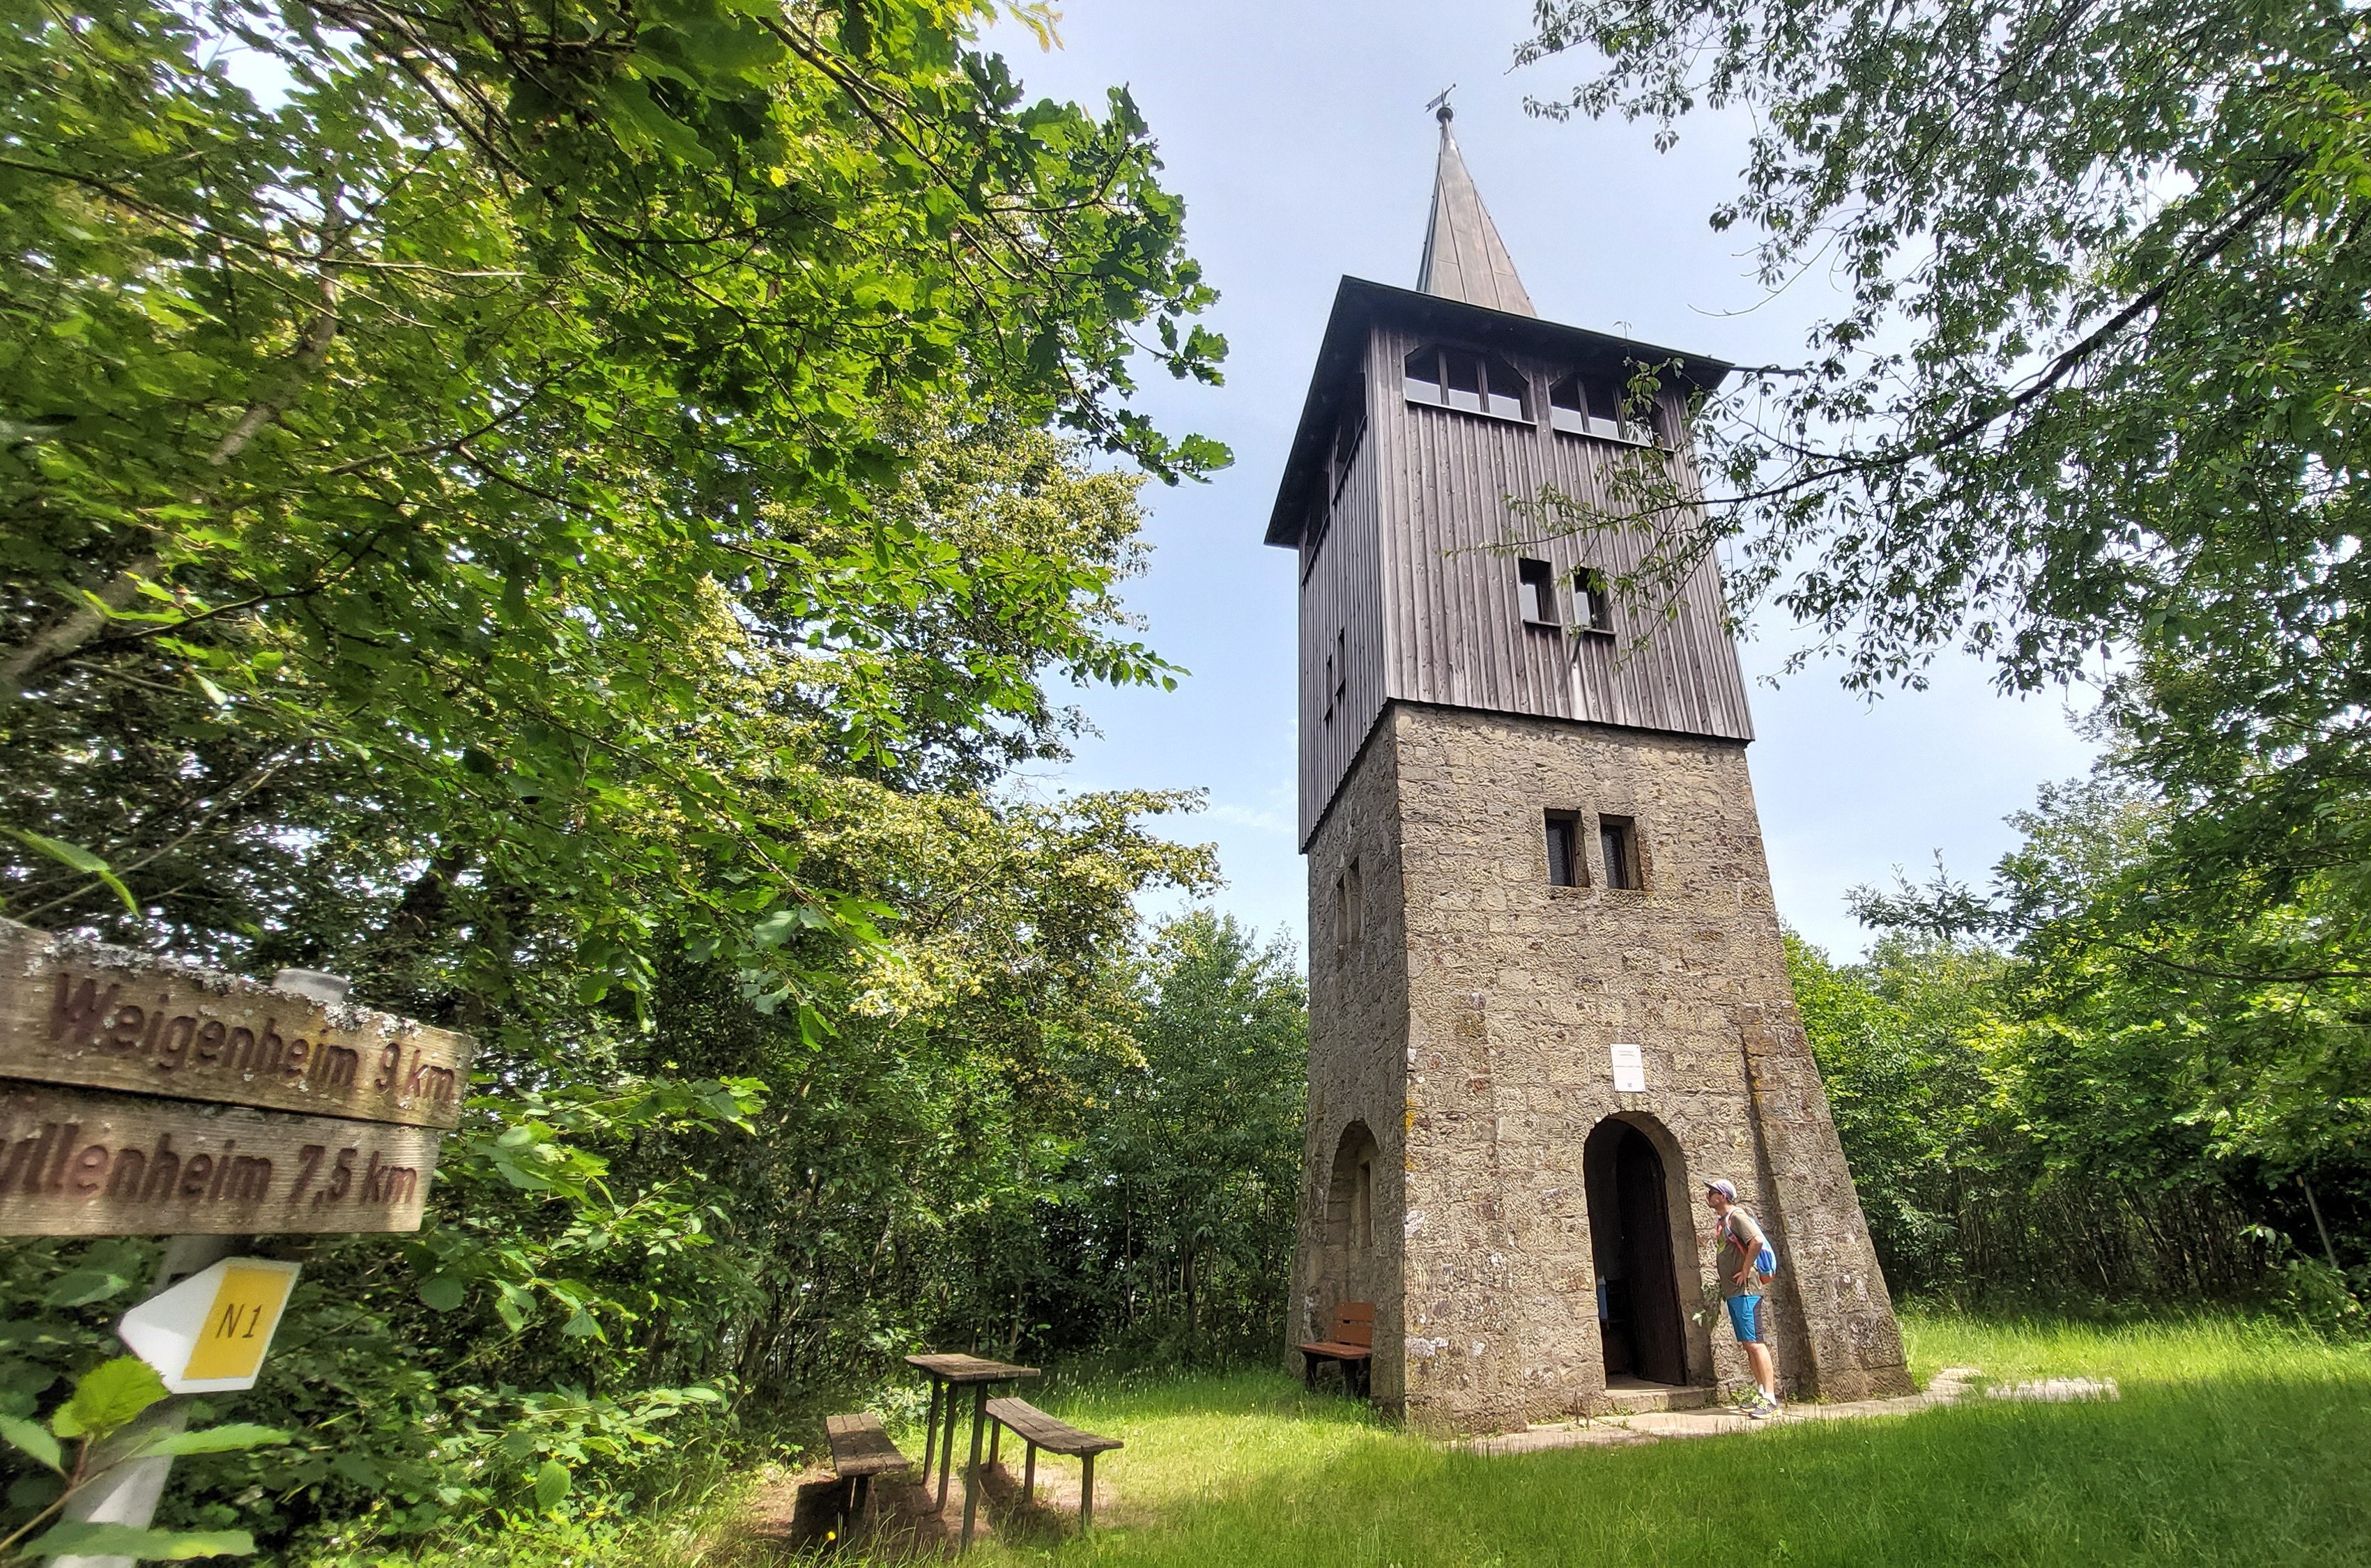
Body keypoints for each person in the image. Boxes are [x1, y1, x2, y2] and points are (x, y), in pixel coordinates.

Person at [1704, 1178, 1779, 1416]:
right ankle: (1760, 1394)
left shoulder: (1737, 1216)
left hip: (1746, 1292)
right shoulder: (1724, 1221)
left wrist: (1746, 1269)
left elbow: (1756, 1241)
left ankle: (1770, 1399)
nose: (1708, 1195)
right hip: (1734, 1292)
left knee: (1756, 1344)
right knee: (1748, 1344)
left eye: (1713, 1192)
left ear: (1723, 1196)